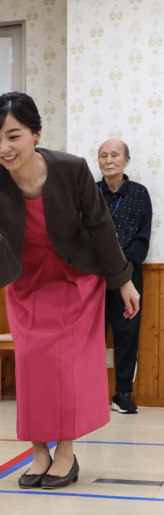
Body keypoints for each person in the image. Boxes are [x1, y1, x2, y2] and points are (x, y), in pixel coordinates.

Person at [0, 92, 140, 490]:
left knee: (68, 368)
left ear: (36, 134)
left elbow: (100, 226)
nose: (3, 148)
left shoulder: (71, 170)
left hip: (76, 278)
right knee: (33, 366)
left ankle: (67, 454)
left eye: (12, 136)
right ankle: (39, 452)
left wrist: (122, 279)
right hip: (26, 281)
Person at [98, 139, 152, 415]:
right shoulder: (91, 192)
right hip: (93, 276)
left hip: (129, 276)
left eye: (114, 155)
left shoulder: (140, 193)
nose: (108, 160)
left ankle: (122, 394)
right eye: (103, 156)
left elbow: (142, 240)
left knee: (127, 333)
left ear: (126, 161)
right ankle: (92, 393)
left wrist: (120, 267)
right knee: (91, 334)